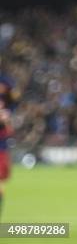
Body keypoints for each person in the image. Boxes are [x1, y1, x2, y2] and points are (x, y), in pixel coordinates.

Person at [0, 74, 16, 220]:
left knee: (1, 185)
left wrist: (5, 120)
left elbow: (9, 131)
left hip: (2, 150)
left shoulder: (6, 111)